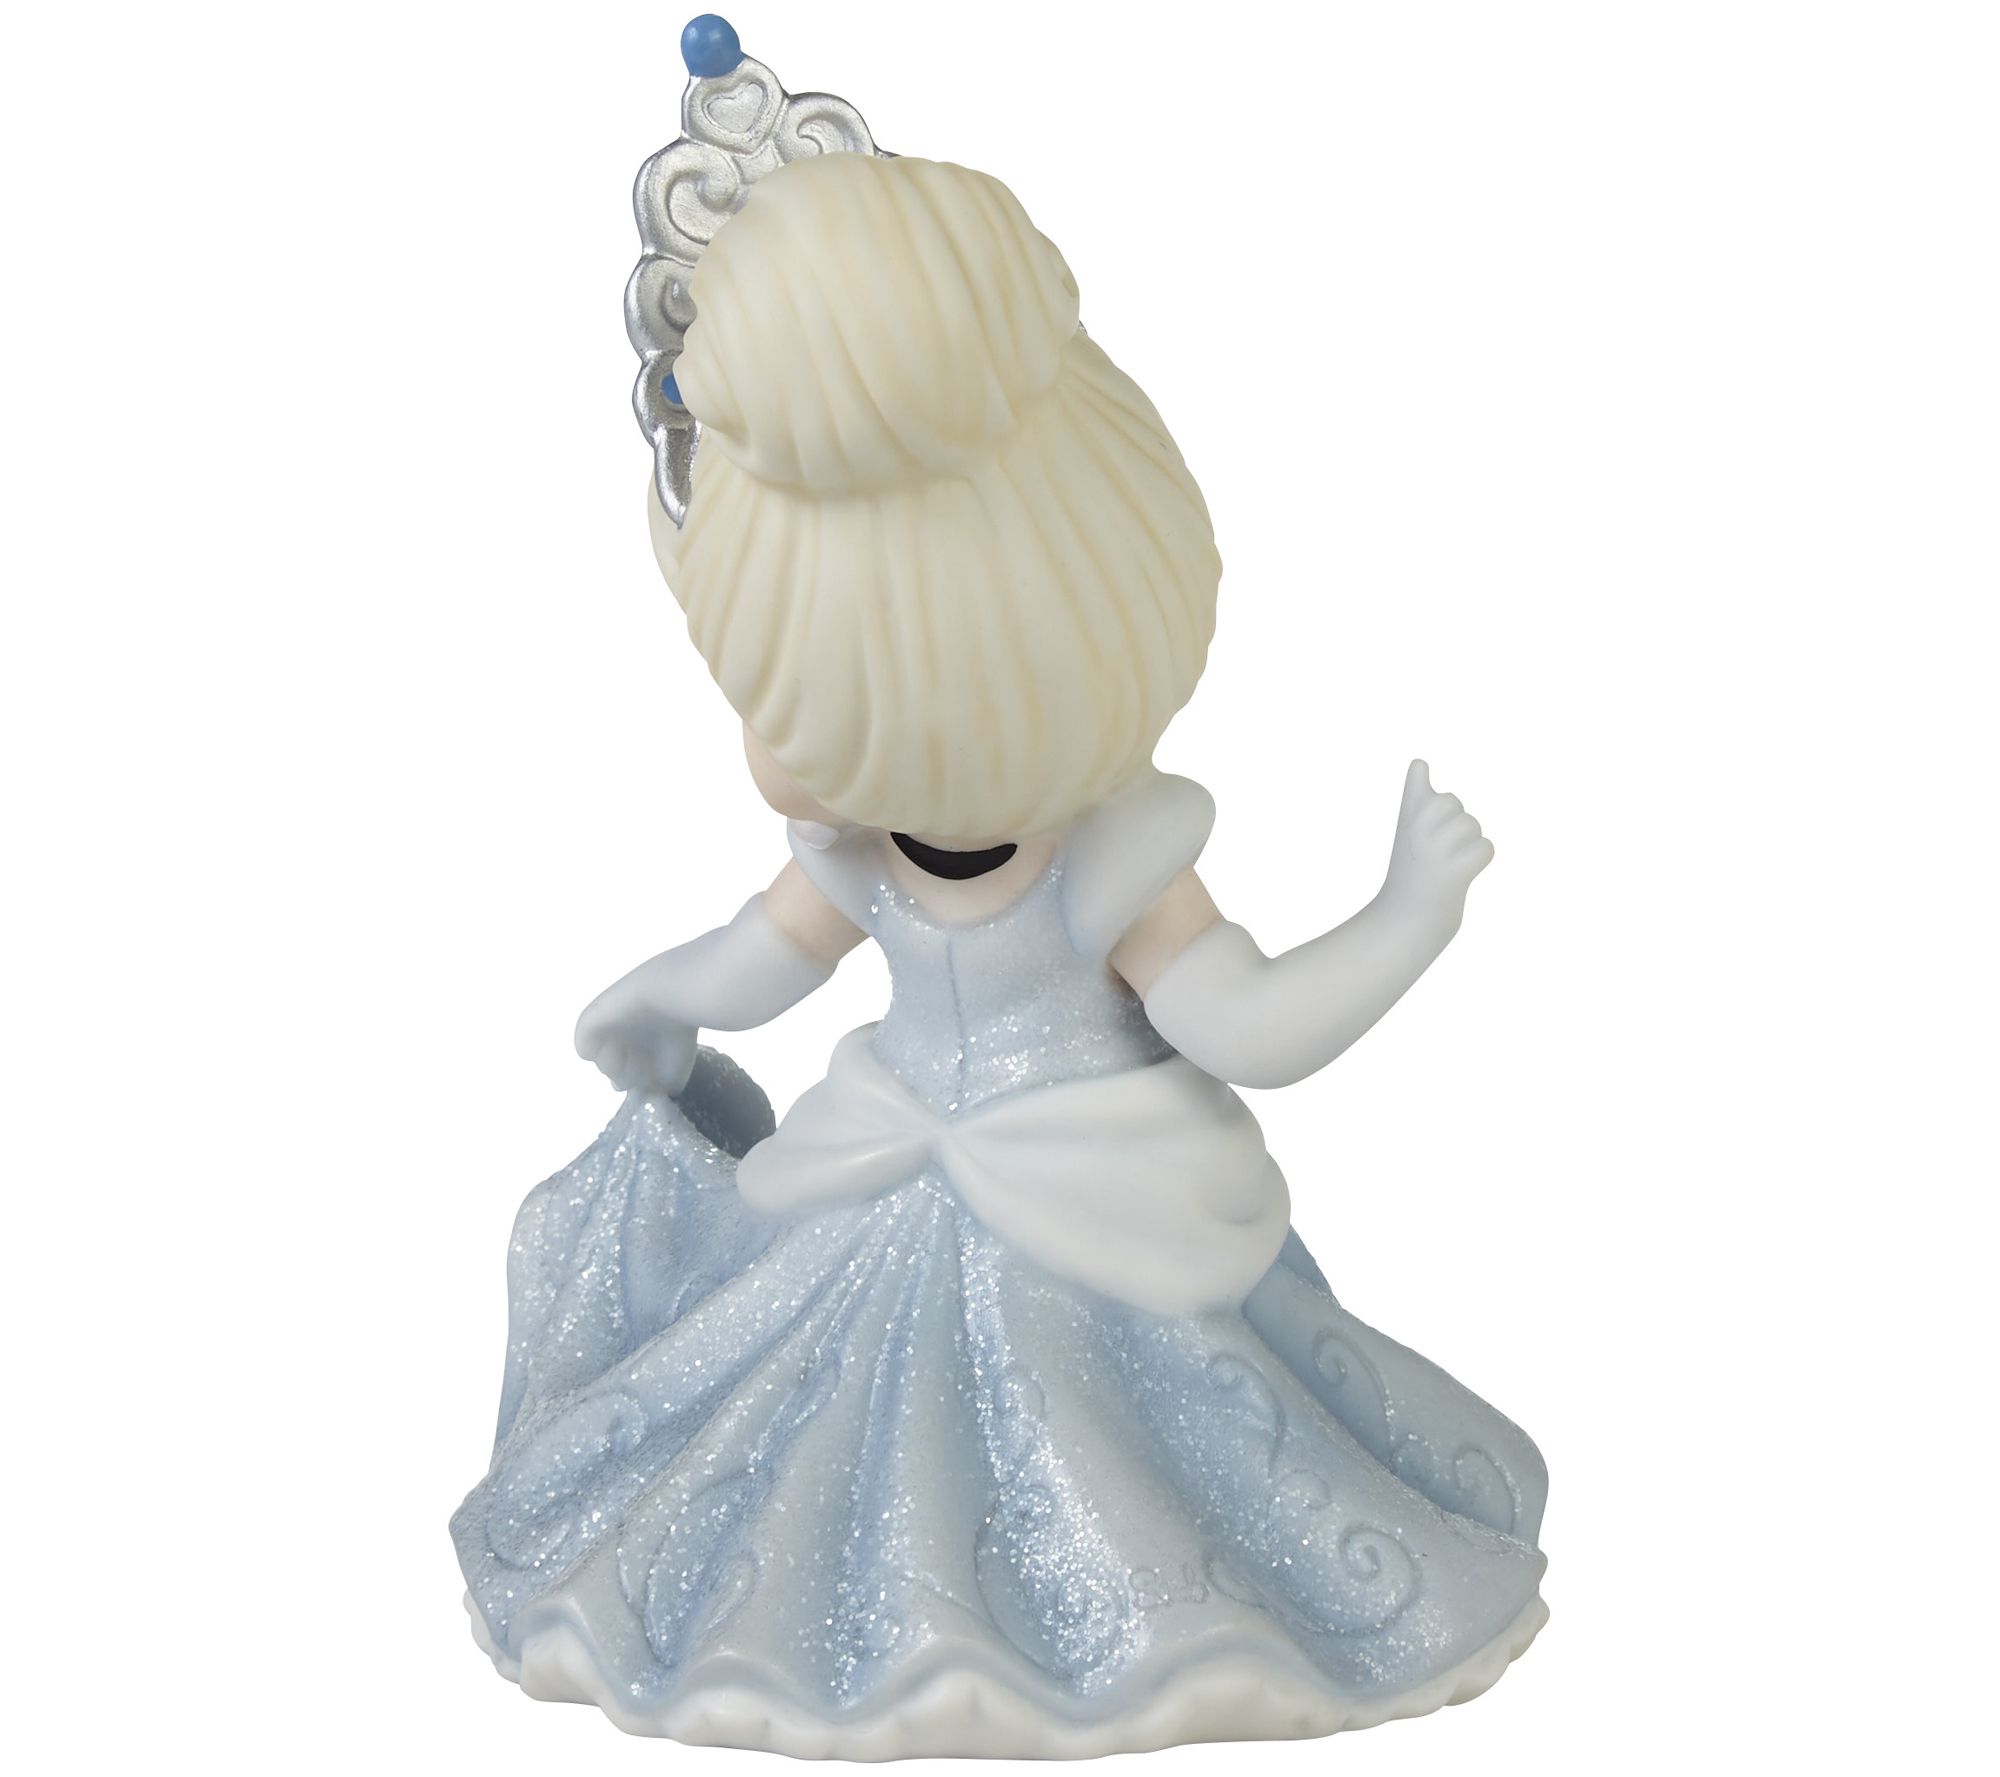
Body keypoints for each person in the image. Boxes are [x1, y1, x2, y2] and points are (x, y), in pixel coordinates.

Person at [453, 148, 1546, 1757]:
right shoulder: (854, 849)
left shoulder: (1111, 860)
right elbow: (763, 955)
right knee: (821, 1462)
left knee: (1119, 1461)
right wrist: (654, 1001)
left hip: (1097, 1205)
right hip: (881, 1174)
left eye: (805, 704)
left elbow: (1247, 1023)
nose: (782, 758)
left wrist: (1406, 917)